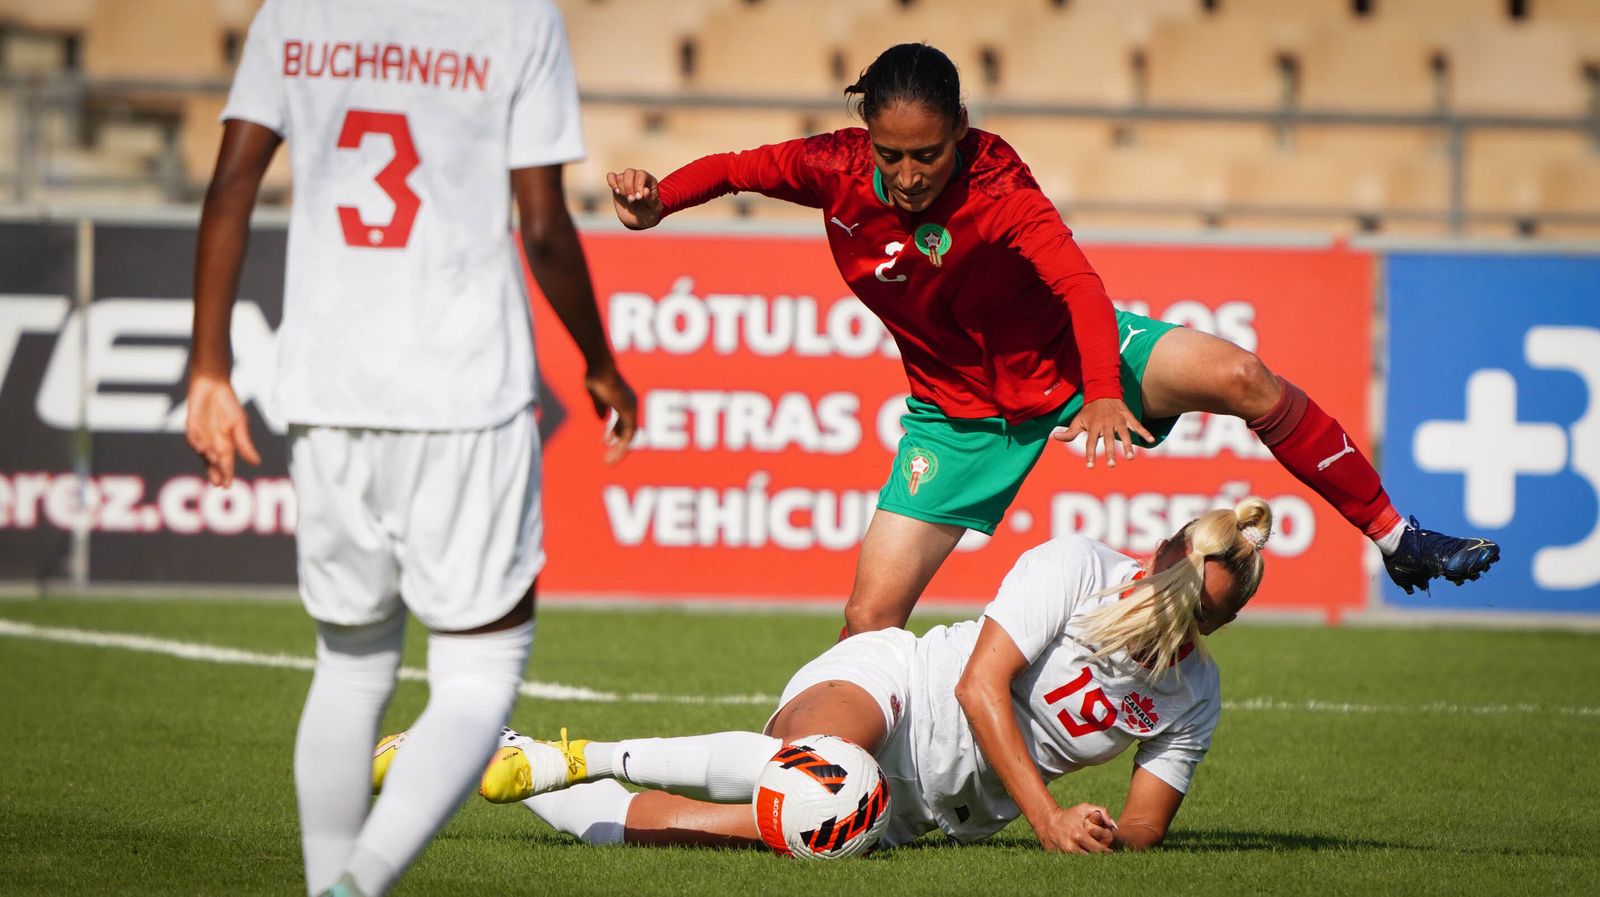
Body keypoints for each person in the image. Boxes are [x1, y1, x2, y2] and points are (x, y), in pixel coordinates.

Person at [606, 43, 1499, 636]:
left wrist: (1106, 389)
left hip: (1079, 364)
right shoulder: (832, 168)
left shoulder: (1000, 185)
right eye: (892, 157)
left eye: (929, 154)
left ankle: (1395, 533)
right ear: (867, 139)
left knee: (1242, 374)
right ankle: (830, 785)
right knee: (866, 627)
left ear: (960, 129)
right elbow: (731, 169)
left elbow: (1077, 284)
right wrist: (659, 201)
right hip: (955, 418)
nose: (910, 176)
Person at [185, 1, 637, 894]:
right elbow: (542, 225)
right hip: (464, 388)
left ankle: (328, 885)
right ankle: (362, 880)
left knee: (350, 666)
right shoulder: (516, 20)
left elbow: (232, 185)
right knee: (479, 671)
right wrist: (600, 363)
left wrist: (208, 365)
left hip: (325, 385)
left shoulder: (295, 12)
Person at [374, 500, 1277, 853]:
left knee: (810, 821)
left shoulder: (1194, 697)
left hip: (925, 812)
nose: (1195, 627)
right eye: (1192, 600)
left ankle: (483, 753)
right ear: (1163, 558)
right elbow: (975, 685)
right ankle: (574, 756)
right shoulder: (1076, 566)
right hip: (898, 684)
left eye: (1216, 619)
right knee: (820, 767)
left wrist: (1100, 831)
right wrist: (1045, 815)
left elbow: (1144, 831)